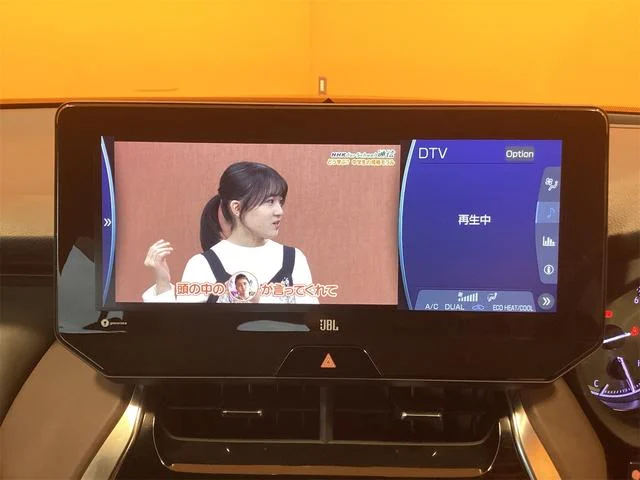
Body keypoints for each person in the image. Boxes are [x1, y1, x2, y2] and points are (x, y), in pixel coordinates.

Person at [141, 161, 319, 304]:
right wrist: (162, 283)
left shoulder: (294, 259)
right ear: (237, 208)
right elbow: (181, 329)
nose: (279, 211)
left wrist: (262, 303)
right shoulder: (202, 264)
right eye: (270, 201)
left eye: (280, 201)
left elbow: (312, 325)